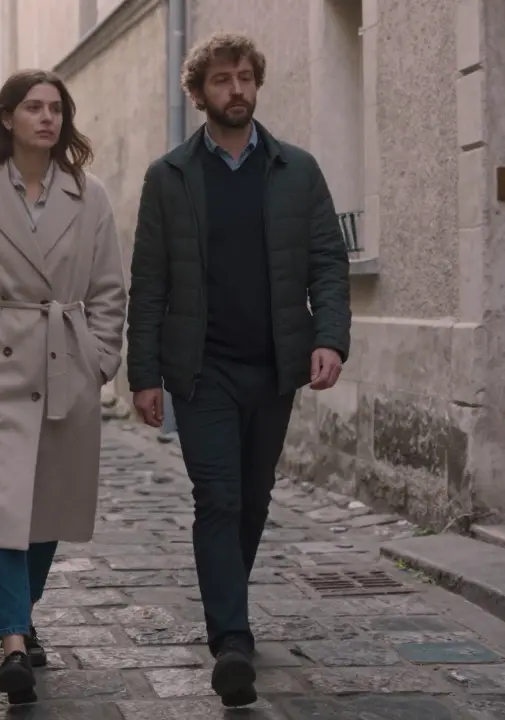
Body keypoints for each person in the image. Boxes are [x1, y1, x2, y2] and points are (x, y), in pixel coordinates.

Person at [126, 33, 352, 707]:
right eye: (222, 80)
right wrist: (143, 374)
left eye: (246, 77)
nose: (237, 90)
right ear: (200, 94)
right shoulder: (168, 178)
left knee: (254, 500)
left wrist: (330, 339)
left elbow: (327, 264)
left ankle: (230, 602)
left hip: (276, 365)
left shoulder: (298, 171)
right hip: (202, 371)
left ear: (257, 84)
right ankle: (231, 638)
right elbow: (149, 281)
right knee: (218, 498)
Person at [0, 69, 127, 704]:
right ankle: (13, 641)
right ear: (6, 118)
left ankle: (22, 615)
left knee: (48, 509)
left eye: (56, 108)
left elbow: (109, 290)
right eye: (33, 107)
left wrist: (99, 359)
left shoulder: (88, 196)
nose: (47, 118)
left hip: (66, 365)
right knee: (0, 505)